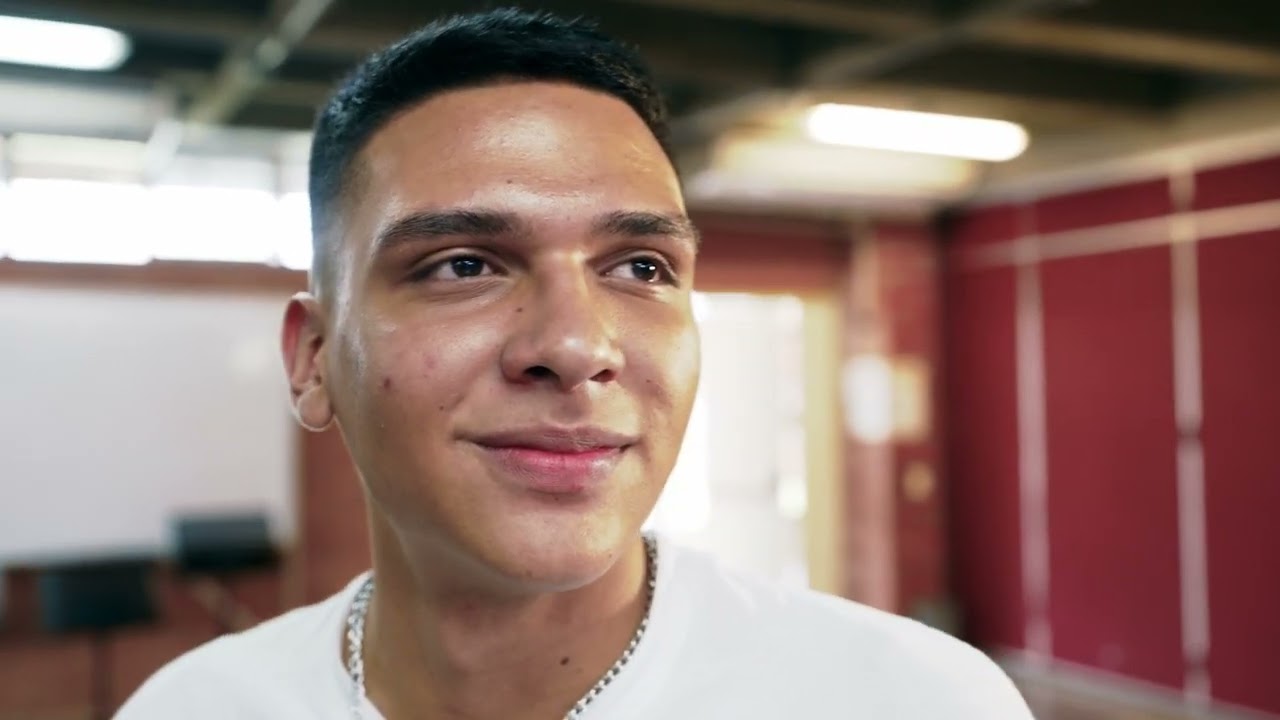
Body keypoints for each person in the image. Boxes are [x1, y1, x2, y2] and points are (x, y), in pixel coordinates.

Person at [117, 8, 1034, 719]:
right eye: (463, 265)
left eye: (641, 268)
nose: (576, 346)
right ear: (315, 359)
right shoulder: (191, 709)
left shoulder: (910, 701)